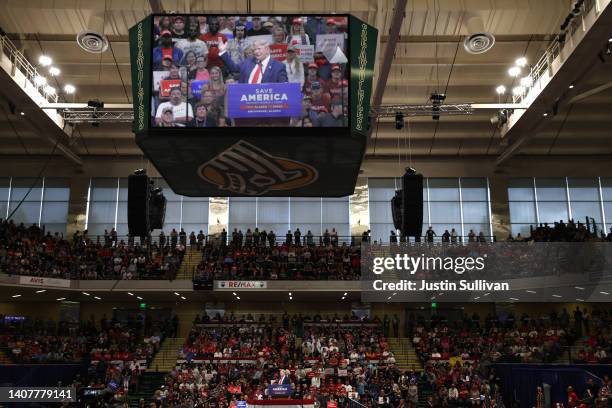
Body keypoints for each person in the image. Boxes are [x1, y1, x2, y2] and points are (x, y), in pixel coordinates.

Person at [218, 39, 288, 84]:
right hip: (246, 101)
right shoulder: (249, 61)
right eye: (254, 50)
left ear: (267, 50)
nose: (256, 52)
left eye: (259, 49)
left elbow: (283, 88)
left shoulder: (278, 66)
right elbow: (234, 68)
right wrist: (223, 51)